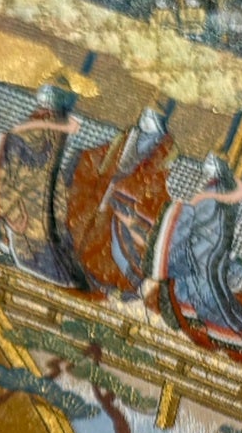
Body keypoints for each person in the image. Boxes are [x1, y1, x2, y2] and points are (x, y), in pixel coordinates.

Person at [145, 152, 242, 360]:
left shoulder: (217, 191)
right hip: (206, 251)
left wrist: (200, 202)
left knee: (213, 293)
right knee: (213, 294)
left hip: (209, 251)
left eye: (212, 164)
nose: (207, 167)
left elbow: (217, 215)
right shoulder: (213, 191)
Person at [0, 78, 89, 287]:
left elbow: (53, 185)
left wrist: (63, 206)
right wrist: (14, 217)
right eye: (51, 118)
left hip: (45, 219)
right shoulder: (17, 142)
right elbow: (2, 184)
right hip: (23, 220)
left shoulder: (50, 149)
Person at [66, 105, 176, 297]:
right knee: (86, 225)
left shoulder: (164, 150)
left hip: (130, 203)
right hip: (108, 192)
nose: (144, 119)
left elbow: (155, 182)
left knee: (113, 238)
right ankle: (82, 272)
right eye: (145, 115)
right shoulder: (128, 137)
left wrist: (125, 193)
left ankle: (107, 281)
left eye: (151, 117)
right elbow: (107, 155)